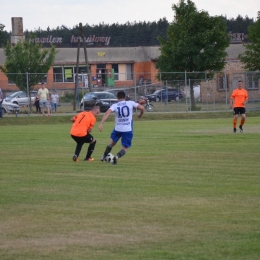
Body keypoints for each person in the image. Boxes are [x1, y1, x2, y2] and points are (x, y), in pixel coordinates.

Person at [99, 90, 145, 165]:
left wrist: (101, 123)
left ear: (117, 98)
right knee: (125, 148)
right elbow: (142, 108)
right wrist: (140, 115)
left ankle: (103, 156)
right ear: (125, 97)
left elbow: (107, 113)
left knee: (111, 143)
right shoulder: (130, 103)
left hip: (117, 129)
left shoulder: (115, 105)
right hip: (127, 129)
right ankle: (116, 157)